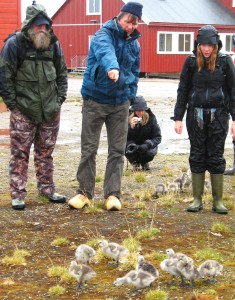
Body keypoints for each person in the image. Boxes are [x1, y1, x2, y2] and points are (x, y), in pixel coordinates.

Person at [68, 2, 143, 211]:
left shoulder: (135, 44)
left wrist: (131, 96)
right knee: (89, 149)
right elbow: (105, 52)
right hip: (95, 99)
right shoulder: (103, 34)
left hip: (120, 103)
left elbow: (135, 73)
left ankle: (112, 195)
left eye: (135, 23)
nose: (131, 26)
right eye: (128, 22)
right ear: (120, 18)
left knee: (117, 151)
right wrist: (112, 67)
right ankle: (84, 193)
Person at [0, 2, 68, 210]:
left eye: (45, 25)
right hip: (24, 111)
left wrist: (59, 100)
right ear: (29, 25)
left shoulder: (54, 45)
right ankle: (18, 194)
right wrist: (14, 106)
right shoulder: (15, 44)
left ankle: (47, 190)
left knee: (45, 153)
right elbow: (5, 77)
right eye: (38, 25)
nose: (42, 29)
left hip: (50, 110)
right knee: (19, 154)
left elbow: (62, 74)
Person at [174, 25, 235, 215]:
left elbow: (233, 91)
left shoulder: (225, 62)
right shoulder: (191, 62)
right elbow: (183, 89)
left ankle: (218, 201)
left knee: (216, 155)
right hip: (195, 115)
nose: (206, 48)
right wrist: (178, 117)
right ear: (198, 45)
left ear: (216, 44)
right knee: (197, 153)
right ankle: (197, 199)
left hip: (219, 115)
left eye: (210, 45)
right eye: (203, 45)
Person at [125, 95, 162, 171]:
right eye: (138, 110)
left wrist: (148, 144)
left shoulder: (151, 118)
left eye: (142, 110)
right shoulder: (127, 117)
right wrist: (131, 127)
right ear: (134, 110)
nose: (140, 113)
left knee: (149, 153)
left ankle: (144, 162)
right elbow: (122, 137)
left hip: (146, 144)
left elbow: (158, 137)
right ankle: (135, 163)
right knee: (126, 147)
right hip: (132, 144)